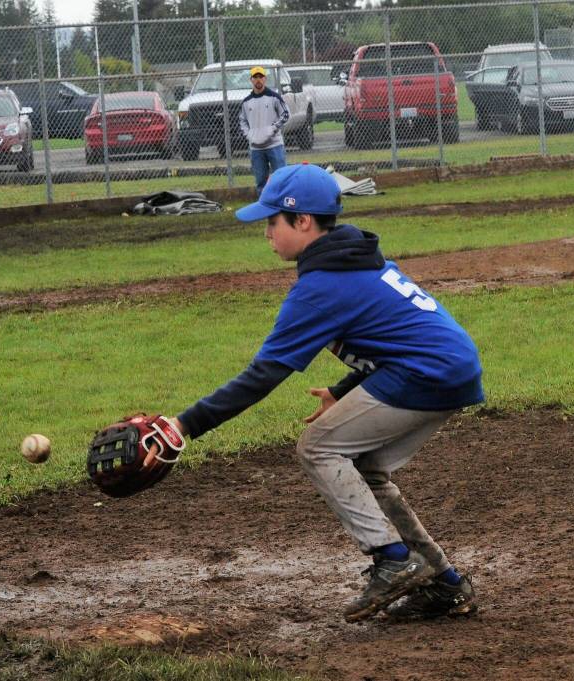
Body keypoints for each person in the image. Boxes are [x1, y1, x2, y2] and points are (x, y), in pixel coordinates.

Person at [163, 164, 483, 622]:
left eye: (272, 221)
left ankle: (391, 560)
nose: (266, 232)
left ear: (303, 221)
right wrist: (344, 389)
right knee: (367, 467)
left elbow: (264, 375)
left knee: (318, 448)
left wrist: (184, 425)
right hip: (446, 366)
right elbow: (394, 336)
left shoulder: (321, 285)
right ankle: (443, 584)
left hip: (426, 372)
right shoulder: (350, 258)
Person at [238, 66, 289, 195]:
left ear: (265, 79)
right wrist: (249, 134)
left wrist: (272, 129)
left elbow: (286, 115)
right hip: (256, 149)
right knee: (261, 182)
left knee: (281, 178)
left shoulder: (274, 97)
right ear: (251, 80)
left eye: (260, 77)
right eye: (255, 77)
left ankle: (283, 206)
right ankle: (264, 207)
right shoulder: (246, 102)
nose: (258, 80)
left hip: (275, 145)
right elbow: (242, 121)